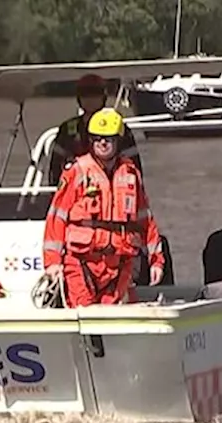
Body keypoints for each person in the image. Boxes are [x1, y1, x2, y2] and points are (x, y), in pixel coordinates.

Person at [42, 108, 165, 308]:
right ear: (90, 141)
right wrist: (53, 262)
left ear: (118, 141)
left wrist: (156, 260)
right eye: (98, 138)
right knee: (84, 314)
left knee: (115, 316)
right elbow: (56, 218)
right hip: (82, 262)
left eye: (108, 138)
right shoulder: (76, 172)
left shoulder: (131, 174)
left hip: (120, 264)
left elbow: (145, 220)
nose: (103, 143)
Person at [46, 74, 143, 186]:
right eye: (85, 94)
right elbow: (56, 168)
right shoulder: (67, 130)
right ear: (79, 98)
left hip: (111, 186)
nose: (90, 99)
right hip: (76, 188)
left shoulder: (120, 128)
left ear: (103, 97)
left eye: (95, 93)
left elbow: (134, 165)